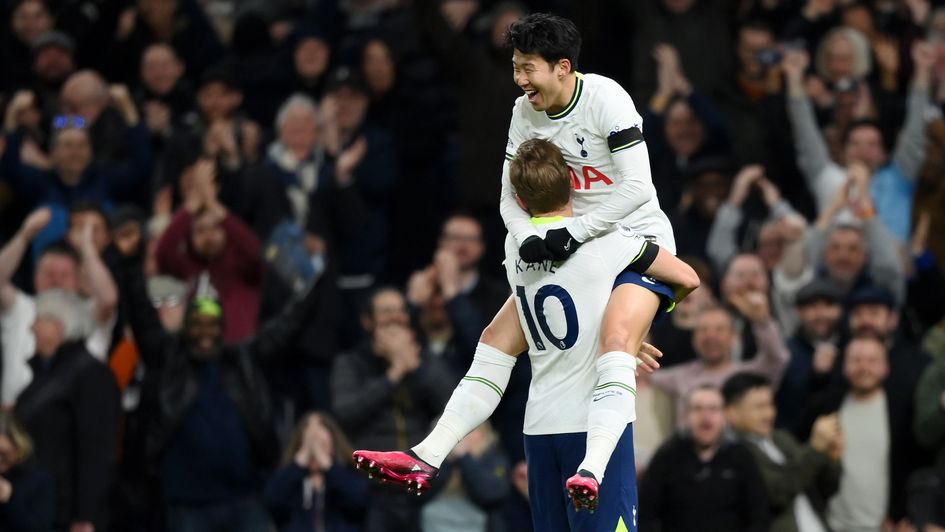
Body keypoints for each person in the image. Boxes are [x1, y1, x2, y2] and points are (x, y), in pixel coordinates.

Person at [354, 138, 698, 530]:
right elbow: (687, 277)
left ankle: (428, 452)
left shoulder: (515, 246)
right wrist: (637, 322)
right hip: (596, 422)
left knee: (491, 346)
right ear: (573, 183)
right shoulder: (604, 240)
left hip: (537, 429)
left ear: (518, 200)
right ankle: (592, 469)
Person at [14, 289, 121, 532]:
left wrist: (86, 516)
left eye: (39, 320)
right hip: (41, 505)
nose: (32, 328)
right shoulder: (49, 374)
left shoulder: (90, 374)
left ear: (58, 326)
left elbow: (97, 450)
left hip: (67, 513)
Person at [800, 336, 926, 530]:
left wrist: (903, 515)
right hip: (829, 524)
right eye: (856, 360)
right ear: (844, 366)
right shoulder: (823, 407)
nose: (863, 367)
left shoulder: (903, 410)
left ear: (886, 367)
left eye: (872, 360)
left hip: (885, 526)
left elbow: (914, 466)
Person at [639, 385, 770, 532]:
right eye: (697, 409)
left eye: (713, 409)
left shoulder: (741, 456)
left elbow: (759, 515)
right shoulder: (667, 455)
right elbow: (645, 515)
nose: (705, 417)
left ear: (724, 416)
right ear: (685, 416)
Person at [723, 372, 842, 532]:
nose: (769, 414)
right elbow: (777, 494)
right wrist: (815, 449)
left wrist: (832, 457)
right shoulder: (731, 453)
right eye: (759, 407)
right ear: (732, 413)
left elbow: (825, 488)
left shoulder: (782, 438)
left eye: (771, 405)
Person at [649, 302, 791, 425]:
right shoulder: (680, 376)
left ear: (735, 337)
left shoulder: (747, 375)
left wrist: (762, 322)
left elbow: (777, 359)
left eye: (719, 329)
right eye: (703, 330)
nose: (711, 336)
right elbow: (646, 376)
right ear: (693, 339)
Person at [263, 412, 368, 532]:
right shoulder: (291, 482)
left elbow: (359, 500)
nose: (315, 453)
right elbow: (272, 499)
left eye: (321, 445)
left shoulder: (347, 476)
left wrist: (327, 464)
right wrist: (301, 458)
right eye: (310, 448)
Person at [0, 411, 55, 532]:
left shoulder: (38, 479)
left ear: (18, 448)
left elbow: (39, 528)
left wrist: (9, 499)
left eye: (3, 454)